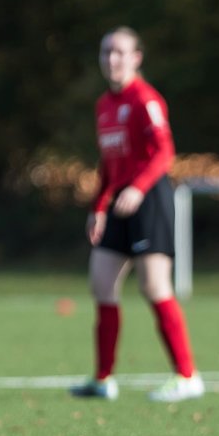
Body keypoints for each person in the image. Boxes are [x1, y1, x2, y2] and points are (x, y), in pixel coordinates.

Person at [70, 27, 204, 403]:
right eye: (105, 53)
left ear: (136, 58)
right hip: (120, 203)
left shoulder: (146, 99)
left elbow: (165, 153)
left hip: (149, 198)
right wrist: (98, 207)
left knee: (153, 286)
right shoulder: (104, 105)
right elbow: (109, 165)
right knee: (101, 282)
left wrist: (137, 188)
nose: (111, 59)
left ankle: (187, 376)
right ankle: (102, 379)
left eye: (119, 52)